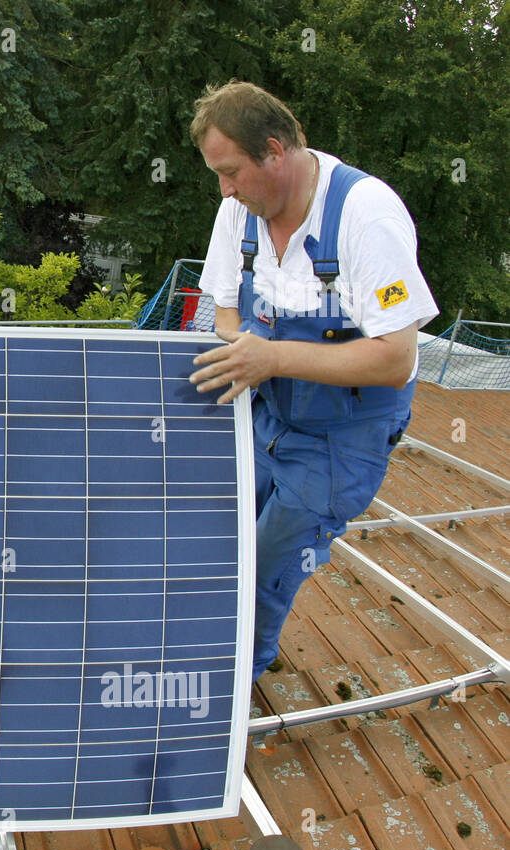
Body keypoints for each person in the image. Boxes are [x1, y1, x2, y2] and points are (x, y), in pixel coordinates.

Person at [187, 81, 438, 683]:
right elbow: (222, 312)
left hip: (339, 437)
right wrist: (246, 353)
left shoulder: (364, 214)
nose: (224, 189)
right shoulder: (238, 212)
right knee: (218, 540)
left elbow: (393, 359)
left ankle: (230, 690)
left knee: (265, 565)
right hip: (266, 415)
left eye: (230, 172)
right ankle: (214, 653)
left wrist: (270, 358)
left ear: (274, 151)